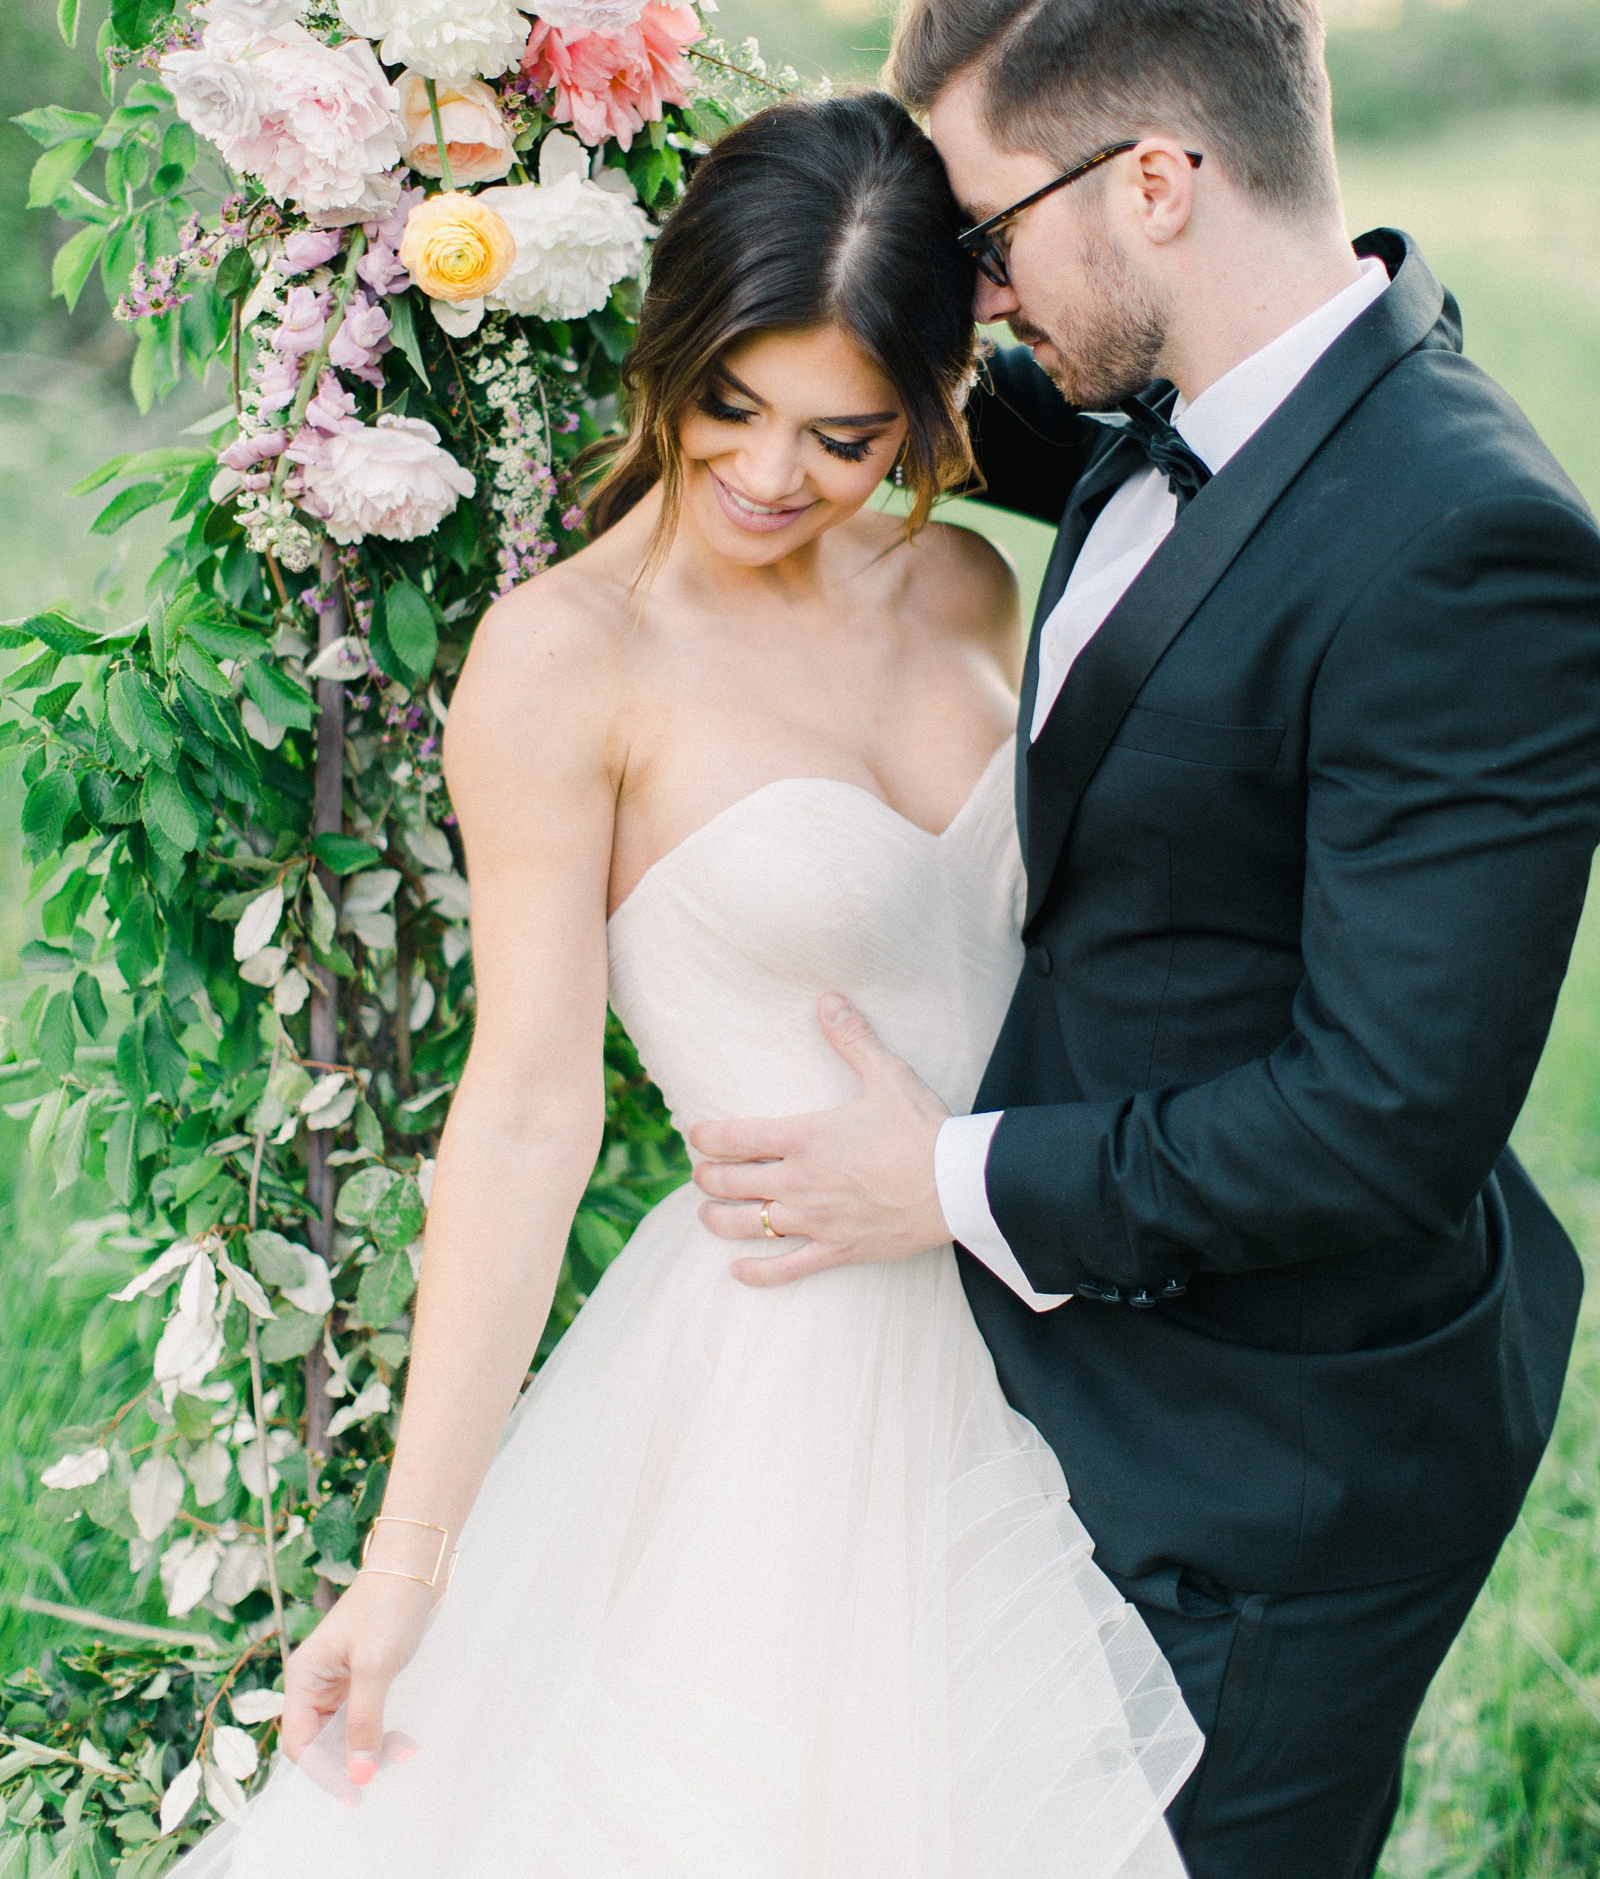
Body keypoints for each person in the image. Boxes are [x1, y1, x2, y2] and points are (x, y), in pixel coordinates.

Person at [176, 91, 1201, 1878]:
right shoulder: (567, 658)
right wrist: (410, 1558)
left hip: (1056, 1309)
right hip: (797, 1378)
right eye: (729, 402)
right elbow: (523, 1111)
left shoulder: (961, 584)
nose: (766, 474)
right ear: (673, 348)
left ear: (930, 413)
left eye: (841, 433)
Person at [689, 0, 1600, 1879]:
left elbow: (1381, 1122)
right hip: (1100, 1387)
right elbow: (891, 386)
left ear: (1157, 181)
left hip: (1282, 1468)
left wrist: (927, 1177)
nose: (978, 298)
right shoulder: (1180, 399)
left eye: (989, 235)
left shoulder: (1468, 551)